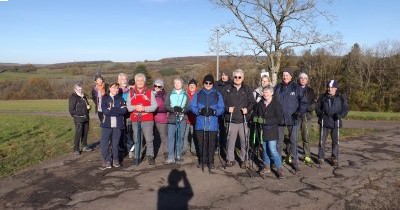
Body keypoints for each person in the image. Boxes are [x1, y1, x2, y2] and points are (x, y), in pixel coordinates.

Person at [274, 67, 307, 172]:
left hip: (293, 119)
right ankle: (277, 162)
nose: (285, 77)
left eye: (287, 75)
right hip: (279, 119)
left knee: (293, 141)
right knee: (279, 142)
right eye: (283, 75)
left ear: (291, 76)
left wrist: (298, 113)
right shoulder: (277, 87)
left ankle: (295, 161)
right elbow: (272, 101)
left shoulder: (296, 88)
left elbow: (303, 102)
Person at [222, 69, 256, 168]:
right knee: (230, 141)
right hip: (231, 119)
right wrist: (227, 109)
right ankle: (230, 159)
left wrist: (247, 109)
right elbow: (221, 103)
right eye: (235, 77)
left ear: (243, 78)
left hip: (243, 120)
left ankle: (244, 159)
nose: (237, 79)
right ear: (233, 77)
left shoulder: (247, 89)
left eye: (239, 77)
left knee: (244, 141)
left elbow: (252, 103)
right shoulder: (227, 88)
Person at [190, 74, 224, 170]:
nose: (208, 84)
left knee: (211, 144)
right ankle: (202, 161)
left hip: (212, 124)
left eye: (210, 83)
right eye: (206, 82)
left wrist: (215, 112)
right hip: (200, 123)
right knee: (201, 143)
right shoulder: (198, 94)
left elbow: (221, 108)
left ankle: (211, 161)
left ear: (213, 83)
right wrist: (199, 111)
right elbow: (192, 106)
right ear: (203, 83)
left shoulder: (217, 94)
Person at [127, 73, 158, 165]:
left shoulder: (149, 92)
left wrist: (144, 108)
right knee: (137, 138)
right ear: (135, 82)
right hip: (135, 119)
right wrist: (135, 107)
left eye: (141, 80)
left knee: (149, 138)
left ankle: (150, 156)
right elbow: (128, 107)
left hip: (147, 119)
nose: (139, 82)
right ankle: (137, 156)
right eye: (137, 80)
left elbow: (154, 106)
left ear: (144, 81)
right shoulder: (131, 92)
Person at [254, 85, 284, 178]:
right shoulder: (260, 104)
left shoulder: (276, 104)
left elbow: (279, 119)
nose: (265, 94)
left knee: (272, 149)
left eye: (267, 92)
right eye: (264, 92)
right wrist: (256, 119)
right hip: (262, 131)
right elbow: (255, 115)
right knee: (265, 150)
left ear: (272, 93)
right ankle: (266, 167)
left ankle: (279, 169)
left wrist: (265, 121)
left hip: (272, 131)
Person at [316, 80, 349, 167]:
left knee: (335, 141)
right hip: (325, 121)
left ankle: (334, 158)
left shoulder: (341, 97)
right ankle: (321, 157)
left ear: (336, 88)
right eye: (328, 87)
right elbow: (317, 108)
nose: (329, 89)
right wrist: (320, 114)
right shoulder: (323, 97)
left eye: (331, 87)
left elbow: (345, 109)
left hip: (335, 121)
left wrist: (340, 115)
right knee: (322, 141)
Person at [99, 83, 127, 169]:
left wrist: (111, 109)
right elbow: (106, 112)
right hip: (106, 125)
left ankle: (115, 160)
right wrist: (118, 110)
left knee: (115, 144)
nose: (116, 90)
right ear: (110, 89)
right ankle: (107, 160)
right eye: (114, 88)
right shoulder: (104, 98)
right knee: (104, 144)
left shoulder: (121, 99)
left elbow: (124, 111)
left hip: (118, 125)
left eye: (117, 88)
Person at [164, 78, 190, 164]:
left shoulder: (185, 95)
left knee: (180, 137)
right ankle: (171, 156)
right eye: (175, 83)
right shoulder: (170, 94)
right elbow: (166, 105)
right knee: (171, 138)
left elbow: (188, 107)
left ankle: (178, 155)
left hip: (182, 119)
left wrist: (182, 110)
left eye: (179, 83)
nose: (177, 84)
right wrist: (173, 109)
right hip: (172, 118)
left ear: (182, 84)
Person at [68, 82, 92, 155]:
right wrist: (77, 115)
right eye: (79, 89)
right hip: (78, 119)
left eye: (81, 89)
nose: (80, 90)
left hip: (86, 118)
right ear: (75, 89)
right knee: (78, 133)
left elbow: (87, 105)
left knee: (85, 132)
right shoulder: (73, 97)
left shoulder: (83, 96)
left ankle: (84, 146)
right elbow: (71, 110)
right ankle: (76, 149)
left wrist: (89, 107)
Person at [297, 72, 316, 165]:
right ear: (298, 79)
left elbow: (314, 104)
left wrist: (308, 108)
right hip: (296, 117)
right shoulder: (294, 89)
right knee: (292, 138)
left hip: (306, 117)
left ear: (307, 80)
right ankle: (290, 156)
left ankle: (307, 155)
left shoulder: (311, 91)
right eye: (301, 78)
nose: (303, 80)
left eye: (305, 78)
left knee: (306, 137)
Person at [117, 73, 133, 159]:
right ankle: (121, 150)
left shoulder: (131, 90)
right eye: (122, 79)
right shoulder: (116, 90)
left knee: (129, 133)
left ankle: (130, 149)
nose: (124, 81)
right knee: (120, 133)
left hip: (129, 115)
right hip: (119, 115)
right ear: (118, 81)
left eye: (125, 79)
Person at [153, 79, 168, 159]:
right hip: (151, 118)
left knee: (163, 136)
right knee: (152, 137)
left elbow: (166, 107)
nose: (157, 87)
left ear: (162, 87)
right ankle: (153, 152)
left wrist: (155, 109)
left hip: (162, 118)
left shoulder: (165, 95)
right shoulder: (151, 94)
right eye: (155, 85)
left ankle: (166, 152)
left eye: (159, 86)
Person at [183, 79, 198, 156]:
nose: (192, 86)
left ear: (196, 87)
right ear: (188, 86)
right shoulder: (184, 94)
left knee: (194, 135)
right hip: (186, 118)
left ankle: (194, 149)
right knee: (184, 135)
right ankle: (183, 149)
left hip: (195, 119)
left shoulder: (198, 95)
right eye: (190, 85)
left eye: (193, 85)